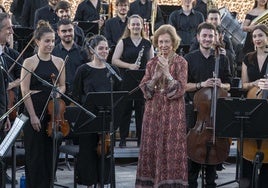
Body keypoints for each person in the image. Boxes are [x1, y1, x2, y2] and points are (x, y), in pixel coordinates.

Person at [135, 24, 188, 187]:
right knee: (151, 147)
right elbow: (144, 88)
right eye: (160, 42)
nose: (164, 45)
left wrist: (167, 74)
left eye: (167, 42)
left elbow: (181, 89)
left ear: (173, 42)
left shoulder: (181, 62)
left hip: (173, 111)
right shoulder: (151, 63)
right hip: (153, 111)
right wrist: (154, 78)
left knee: (170, 147)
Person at [184, 22, 232, 188]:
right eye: (204, 35)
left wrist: (221, 85)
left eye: (210, 36)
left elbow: (229, 85)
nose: (207, 39)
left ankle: (211, 183)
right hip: (195, 113)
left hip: (215, 113)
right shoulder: (189, 58)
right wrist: (201, 85)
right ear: (198, 37)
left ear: (216, 37)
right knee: (192, 159)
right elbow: (183, 85)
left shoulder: (223, 59)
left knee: (213, 158)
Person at [20, 20, 66, 188]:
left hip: (52, 114)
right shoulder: (29, 62)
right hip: (34, 111)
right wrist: (32, 116)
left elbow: (63, 85)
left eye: (53, 41)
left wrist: (58, 91)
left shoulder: (60, 62)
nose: (51, 44)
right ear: (37, 41)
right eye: (47, 41)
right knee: (35, 156)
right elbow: (25, 91)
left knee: (50, 155)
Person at [72, 35, 121, 187]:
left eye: (107, 48)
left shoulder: (113, 70)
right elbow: (76, 94)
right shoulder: (83, 70)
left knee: (105, 154)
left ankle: (103, 183)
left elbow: (118, 96)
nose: (105, 51)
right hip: (87, 120)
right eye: (101, 48)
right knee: (88, 154)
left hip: (105, 120)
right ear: (92, 50)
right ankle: (89, 183)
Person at [112, 14, 154, 147]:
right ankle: (123, 139)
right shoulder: (123, 42)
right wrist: (130, 66)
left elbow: (152, 62)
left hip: (142, 81)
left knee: (141, 111)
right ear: (129, 26)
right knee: (125, 110)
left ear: (142, 26)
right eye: (133, 24)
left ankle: (141, 140)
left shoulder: (147, 43)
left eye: (138, 24)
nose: (136, 26)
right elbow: (114, 60)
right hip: (126, 80)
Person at [241, 24, 268, 188]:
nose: (257, 39)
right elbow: (243, 85)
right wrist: (255, 83)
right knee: (247, 150)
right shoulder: (247, 58)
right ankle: (246, 182)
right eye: (255, 36)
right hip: (251, 105)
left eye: (260, 36)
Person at [52, 19, 87, 102]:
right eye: (64, 31)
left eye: (70, 30)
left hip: (79, 97)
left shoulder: (83, 52)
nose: (68, 33)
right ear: (58, 32)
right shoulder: (53, 52)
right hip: (59, 96)